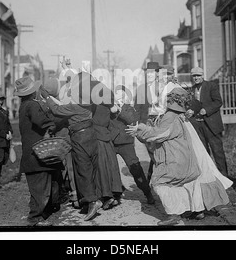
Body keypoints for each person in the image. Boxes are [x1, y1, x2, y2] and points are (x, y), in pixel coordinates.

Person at [126, 87, 232, 226]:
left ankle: (173, 215)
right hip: (186, 156)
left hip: (174, 158)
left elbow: (159, 135)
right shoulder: (181, 116)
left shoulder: (170, 116)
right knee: (186, 183)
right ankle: (196, 210)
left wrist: (140, 129)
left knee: (160, 183)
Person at [41, 73, 103, 221]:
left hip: (79, 137)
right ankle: (90, 200)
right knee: (91, 169)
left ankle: (93, 202)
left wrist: (47, 97)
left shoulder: (74, 107)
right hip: (91, 135)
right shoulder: (88, 104)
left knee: (82, 170)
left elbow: (57, 110)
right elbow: (63, 106)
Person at [14, 76, 62, 227]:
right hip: (37, 153)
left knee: (40, 186)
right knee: (41, 187)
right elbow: (43, 122)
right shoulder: (32, 106)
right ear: (33, 92)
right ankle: (35, 217)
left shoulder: (24, 105)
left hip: (31, 153)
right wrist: (54, 123)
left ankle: (41, 212)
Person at [109, 85, 155, 205]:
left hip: (126, 144)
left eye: (119, 92)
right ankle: (116, 193)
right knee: (110, 169)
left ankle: (147, 192)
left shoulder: (129, 108)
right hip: (112, 143)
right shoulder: (110, 108)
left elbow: (132, 121)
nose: (116, 94)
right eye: (115, 92)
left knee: (135, 168)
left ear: (125, 95)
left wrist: (119, 110)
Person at [186, 67, 229, 177]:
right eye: (194, 76)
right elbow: (194, 106)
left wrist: (207, 110)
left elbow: (218, 102)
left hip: (212, 125)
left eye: (198, 76)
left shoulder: (211, 86)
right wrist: (191, 111)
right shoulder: (191, 89)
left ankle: (224, 177)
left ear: (202, 76)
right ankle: (209, 176)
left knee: (217, 151)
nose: (196, 78)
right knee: (203, 152)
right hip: (199, 125)